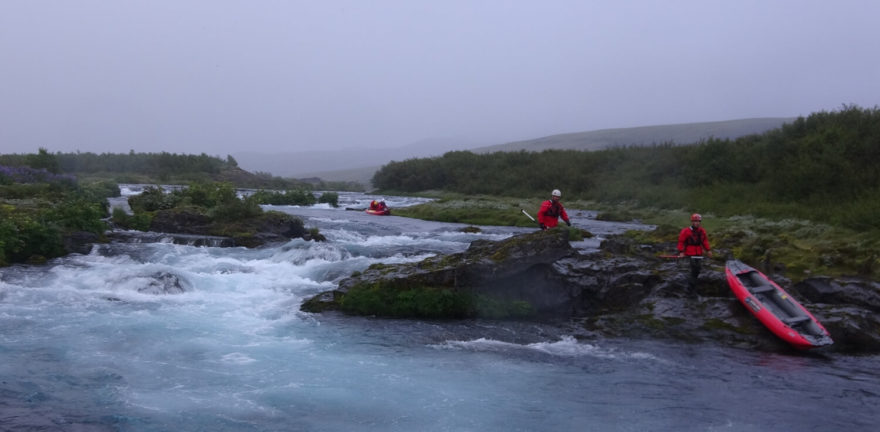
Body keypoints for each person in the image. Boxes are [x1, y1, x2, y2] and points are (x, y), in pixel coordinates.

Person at [678, 213, 712, 289]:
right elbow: (681, 242)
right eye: (695, 221)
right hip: (690, 252)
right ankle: (691, 285)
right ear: (692, 222)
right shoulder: (686, 231)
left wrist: (708, 250)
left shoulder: (702, 231)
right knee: (694, 268)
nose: (697, 223)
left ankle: (693, 282)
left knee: (698, 268)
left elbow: (705, 241)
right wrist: (681, 252)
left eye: (698, 221)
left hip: (699, 252)